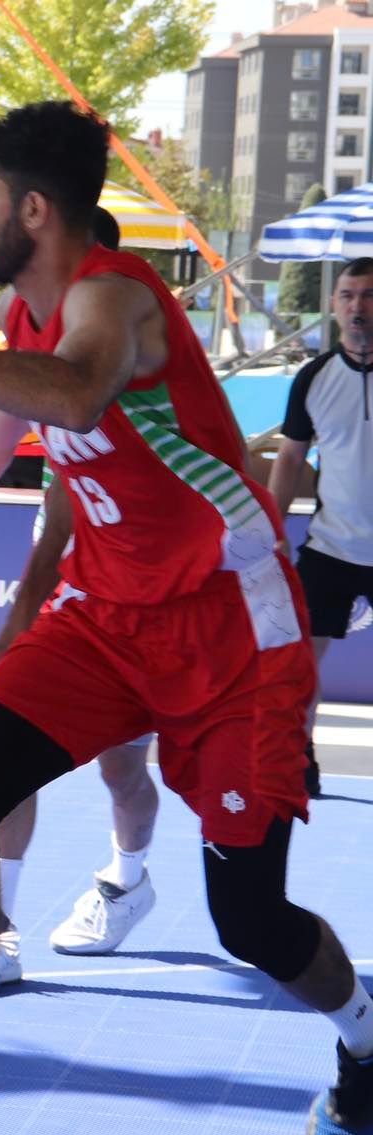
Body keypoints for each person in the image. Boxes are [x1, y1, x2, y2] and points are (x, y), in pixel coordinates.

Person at [0, 101, 373, 1135]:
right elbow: (18, 426)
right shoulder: (27, 318)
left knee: (251, 923)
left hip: (230, 630)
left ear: (33, 208)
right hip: (109, 614)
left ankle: (366, 1040)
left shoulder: (113, 299)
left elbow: (72, 398)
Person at [0, 205, 160, 990]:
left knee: (127, 778)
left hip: (157, 606)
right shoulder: (37, 340)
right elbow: (24, 461)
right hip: (82, 600)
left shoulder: (149, 364)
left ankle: (127, 879)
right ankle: (1, 928)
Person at [268, 257, 373, 801]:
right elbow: (289, 462)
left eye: (369, 295)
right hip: (331, 547)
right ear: (333, 308)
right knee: (300, 669)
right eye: (348, 296)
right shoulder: (314, 378)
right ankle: (299, 760)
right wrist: (271, 529)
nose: (359, 307)